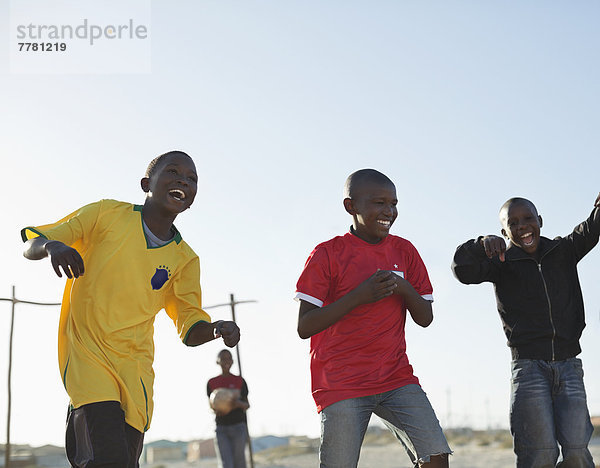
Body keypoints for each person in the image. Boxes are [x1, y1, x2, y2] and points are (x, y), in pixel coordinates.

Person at [21, 150, 240, 468]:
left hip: (135, 372)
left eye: (192, 178)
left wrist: (215, 328)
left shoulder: (185, 259)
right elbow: (33, 242)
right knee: (106, 458)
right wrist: (54, 246)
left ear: (192, 198)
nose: (183, 179)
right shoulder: (105, 215)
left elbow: (189, 326)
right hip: (88, 357)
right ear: (146, 183)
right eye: (174, 172)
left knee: (124, 461)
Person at [295, 168, 451, 468]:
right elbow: (304, 326)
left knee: (435, 457)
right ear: (351, 207)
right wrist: (359, 295)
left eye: (393, 203)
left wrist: (403, 287)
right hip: (342, 382)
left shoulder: (405, 251)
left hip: (396, 377)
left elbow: (426, 318)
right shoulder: (327, 254)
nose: (389, 211)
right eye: (379, 203)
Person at [451, 195, 600, 467]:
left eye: (528, 219)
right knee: (540, 454)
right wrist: (481, 243)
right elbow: (462, 269)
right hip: (529, 369)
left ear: (540, 221)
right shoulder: (501, 262)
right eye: (513, 223)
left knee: (578, 453)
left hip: (569, 367)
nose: (522, 226)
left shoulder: (563, 250)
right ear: (504, 232)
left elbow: (592, 227)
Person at [207, 349, 250, 468]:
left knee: (239, 463)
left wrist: (236, 404)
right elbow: (211, 407)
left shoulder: (240, 381)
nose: (226, 361)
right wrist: (219, 409)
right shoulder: (212, 383)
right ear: (218, 362)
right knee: (226, 464)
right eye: (223, 359)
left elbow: (247, 405)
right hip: (222, 428)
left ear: (232, 361)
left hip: (238, 427)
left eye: (228, 358)